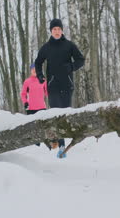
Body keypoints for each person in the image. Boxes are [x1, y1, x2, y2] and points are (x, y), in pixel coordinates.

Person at [35, 18, 85, 158]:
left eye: (59, 29)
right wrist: (40, 76)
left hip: (67, 84)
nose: (56, 31)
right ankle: (61, 146)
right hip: (52, 85)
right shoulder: (46, 48)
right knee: (56, 115)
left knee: (65, 114)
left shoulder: (69, 45)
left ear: (62, 30)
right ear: (51, 31)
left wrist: (71, 67)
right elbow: (38, 62)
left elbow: (81, 60)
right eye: (54, 29)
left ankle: (67, 140)